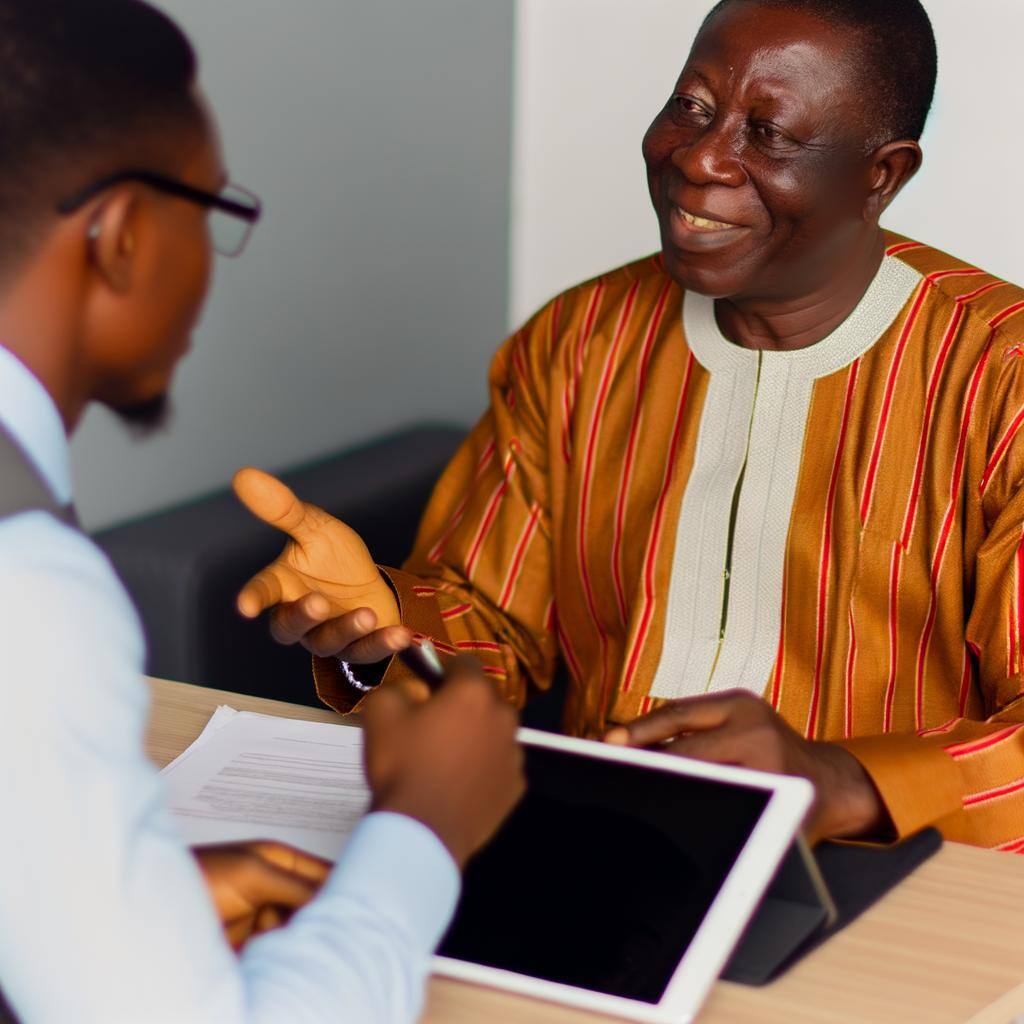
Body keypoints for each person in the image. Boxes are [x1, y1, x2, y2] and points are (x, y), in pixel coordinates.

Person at [239, 0, 1024, 851]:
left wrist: (833, 782)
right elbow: (488, 627)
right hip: (599, 846)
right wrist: (384, 622)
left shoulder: (1002, 375)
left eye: (768, 134)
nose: (701, 157)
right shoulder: (576, 344)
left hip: (894, 874)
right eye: (692, 106)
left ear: (882, 174)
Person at [0, 1, 524, 1021]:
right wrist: (423, 826)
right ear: (121, 236)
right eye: (212, 214)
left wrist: (113, 918)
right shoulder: (29, 590)